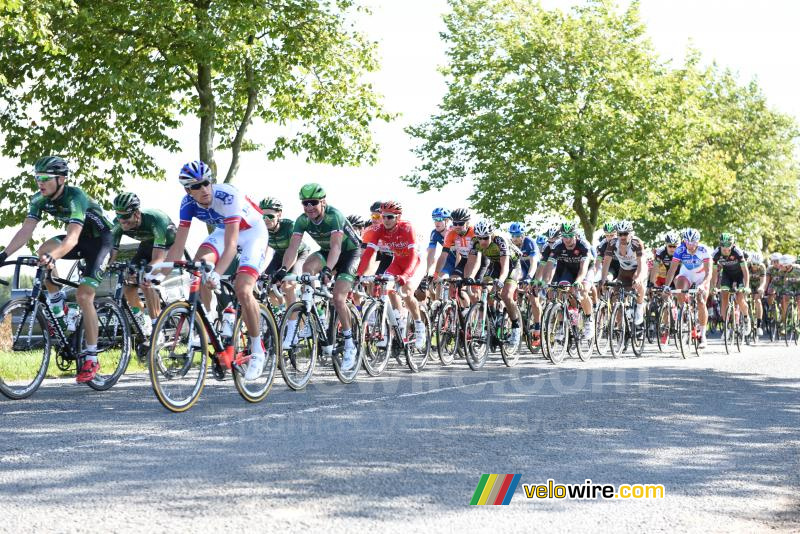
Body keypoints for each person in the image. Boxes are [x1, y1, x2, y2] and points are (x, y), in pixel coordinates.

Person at [0, 156, 113, 382]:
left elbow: (70, 239)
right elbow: (25, 232)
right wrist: (3, 255)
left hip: (101, 241)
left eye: (44, 178)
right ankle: (60, 307)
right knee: (42, 253)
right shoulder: (39, 199)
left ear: (61, 179)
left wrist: (55, 256)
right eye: (36, 178)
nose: (39, 183)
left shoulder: (76, 198)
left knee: (84, 295)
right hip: (80, 240)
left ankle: (91, 357)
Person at [163, 160, 269, 380]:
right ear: (187, 190)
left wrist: (217, 274)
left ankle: (258, 349)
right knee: (199, 264)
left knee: (243, 289)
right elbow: (179, 246)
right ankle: (210, 317)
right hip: (225, 231)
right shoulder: (187, 204)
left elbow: (231, 246)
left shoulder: (227, 196)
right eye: (196, 186)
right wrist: (158, 275)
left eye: (206, 183)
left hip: (252, 233)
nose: (204, 189)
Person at [274, 183, 363, 369]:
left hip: (349, 253)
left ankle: (349, 344)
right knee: (307, 267)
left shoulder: (334, 216)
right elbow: (292, 248)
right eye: (305, 203)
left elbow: (337, 247)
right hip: (327, 251)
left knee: (339, 298)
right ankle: (310, 308)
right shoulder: (302, 220)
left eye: (313, 202)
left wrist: (328, 270)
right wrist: (283, 270)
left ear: (323, 201)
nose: (309, 207)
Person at [356, 201, 426, 349]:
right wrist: (359, 274)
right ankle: (395, 320)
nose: (385, 220)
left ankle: (420, 326)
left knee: (406, 292)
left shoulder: (407, 228)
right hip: (398, 261)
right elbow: (369, 253)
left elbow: (413, 255)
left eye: (389, 217)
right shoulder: (380, 229)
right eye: (383, 216)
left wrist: (406, 275)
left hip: (415, 262)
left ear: (398, 217)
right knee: (384, 288)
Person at [108, 192, 177, 336]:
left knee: (146, 281)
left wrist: (144, 274)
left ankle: (157, 329)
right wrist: (104, 266)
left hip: (169, 246)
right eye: (119, 216)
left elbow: (158, 258)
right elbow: (111, 254)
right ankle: (142, 321)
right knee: (128, 285)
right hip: (147, 245)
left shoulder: (155, 220)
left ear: (137, 213)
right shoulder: (118, 224)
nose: (122, 221)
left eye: (126, 216)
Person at [463, 220, 523, 345]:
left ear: (491, 234)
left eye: (485, 237)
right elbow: (471, 262)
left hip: (512, 265)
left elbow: (505, 266)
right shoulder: (475, 242)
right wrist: (469, 278)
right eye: (479, 238)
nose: (482, 241)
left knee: (506, 295)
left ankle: (516, 327)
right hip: (495, 265)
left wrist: (501, 281)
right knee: (486, 289)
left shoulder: (499, 240)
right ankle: (493, 319)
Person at [663, 228, 712, 349]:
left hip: (701, 276)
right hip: (687, 275)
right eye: (687, 242)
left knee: (701, 302)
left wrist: (703, 284)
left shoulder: (704, 250)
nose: (690, 245)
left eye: (693, 242)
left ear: (698, 241)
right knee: (680, 286)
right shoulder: (680, 249)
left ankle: (703, 335)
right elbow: (672, 269)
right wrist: (667, 286)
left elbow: (709, 272)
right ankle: (686, 315)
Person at [260, 197, 309, 310]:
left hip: (298, 254)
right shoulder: (262, 229)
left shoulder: (289, 226)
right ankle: (282, 311)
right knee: (266, 285)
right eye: (263, 216)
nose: (266, 219)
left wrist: (284, 269)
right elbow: (263, 251)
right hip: (279, 255)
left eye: (270, 216)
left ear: (279, 215)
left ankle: (293, 323)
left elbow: (293, 250)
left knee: (288, 286)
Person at [710, 233, 751, 336]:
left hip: (739, 275)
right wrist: (713, 286)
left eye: (728, 244)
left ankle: (746, 318)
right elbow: (714, 272)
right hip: (727, 275)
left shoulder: (737, 252)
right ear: (720, 244)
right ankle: (726, 325)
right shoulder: (716, 253)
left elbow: (745, 271)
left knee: (739, 298)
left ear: (732, 244)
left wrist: (746, 286)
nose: (725, 247)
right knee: (724, 297)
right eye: (723, 244)